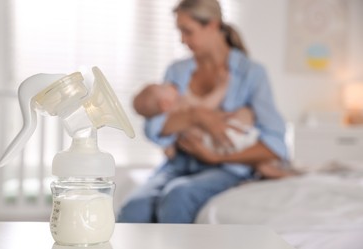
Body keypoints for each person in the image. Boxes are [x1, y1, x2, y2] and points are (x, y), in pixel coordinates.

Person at [117, 0, 289, 224]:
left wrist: (216, 156)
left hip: (225, 167)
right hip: (178, 164)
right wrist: (196, 115)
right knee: (134, 208)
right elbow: (153, 128)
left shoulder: (251, 74)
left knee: (179, 195)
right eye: (179, 31)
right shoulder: (177, 71)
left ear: (213, 25)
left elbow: (275, 144)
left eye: (187, 31)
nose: (182, 39)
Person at [132, 82, 259, 158]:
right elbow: (203, 110)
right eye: (164, 87)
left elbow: (169, 149)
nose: (170, 85)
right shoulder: (181, 106)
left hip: (212, 145)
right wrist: (221, 89)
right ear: (164, 104)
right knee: (243, 120)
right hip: (216, 137)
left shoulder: (163, 125)